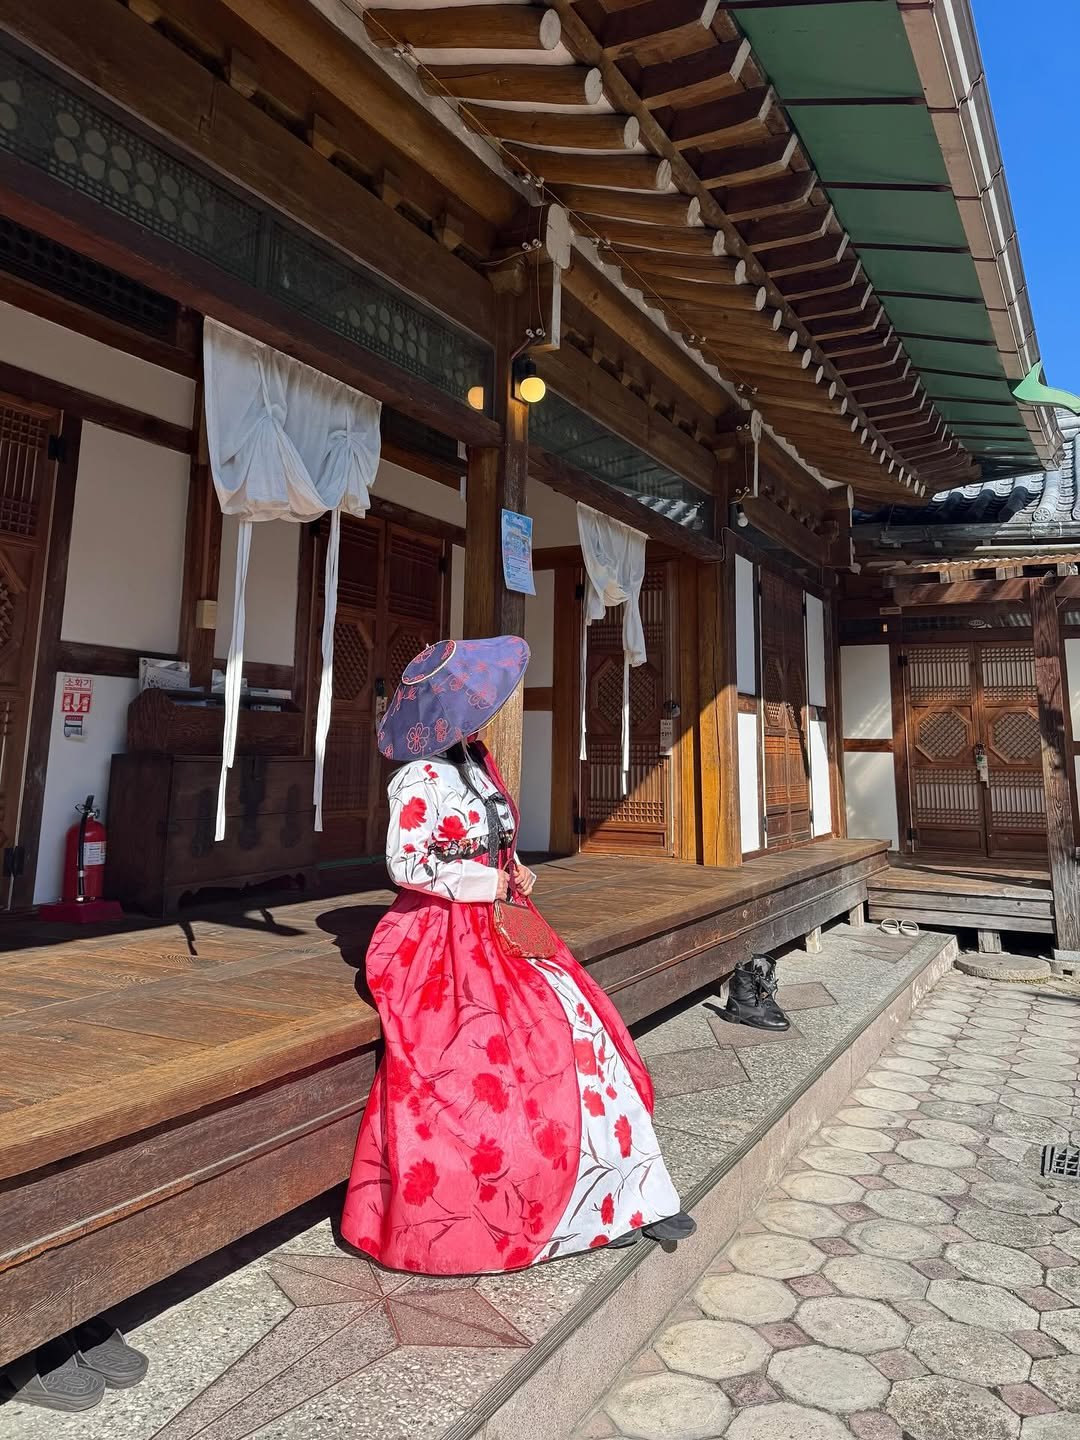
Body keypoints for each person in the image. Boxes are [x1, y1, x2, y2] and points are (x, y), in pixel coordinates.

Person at [340, 636, 694, 1275]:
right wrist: (486, 882)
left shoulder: (475, 761)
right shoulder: (417, 779)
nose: (480, 713)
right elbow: (407, 864)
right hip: (438, 938)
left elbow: (494, 838)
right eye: (469, 703)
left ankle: (627, 1193)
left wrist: (514, 870)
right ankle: (564, 1208)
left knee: (586, 1030)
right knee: (502, 1063)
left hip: (501, 924)